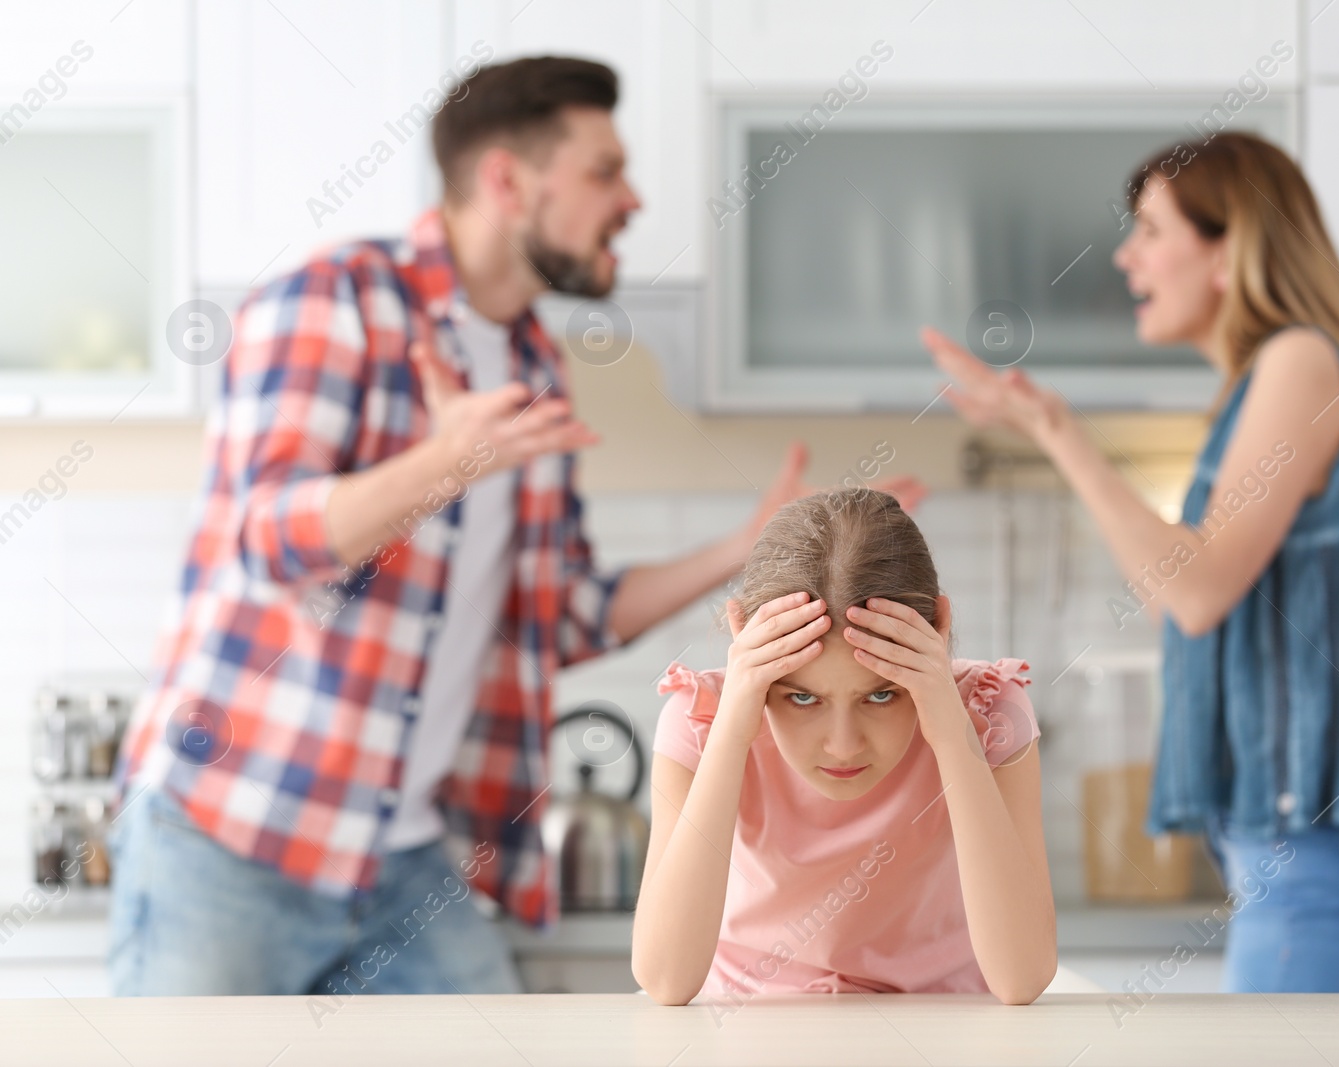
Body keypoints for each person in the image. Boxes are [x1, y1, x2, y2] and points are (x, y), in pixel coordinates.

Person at [109, 56, 912, 998]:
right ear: (505, 180)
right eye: (605, 172)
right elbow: (271, 537)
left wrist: (744, 548)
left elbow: (564, 615)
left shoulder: (534, 363)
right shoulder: (338, 301)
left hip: (403, 856)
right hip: (237, 835)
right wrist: (444, 464)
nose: (634, 199)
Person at [921, 131, 1339, 994]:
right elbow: (1182, 601)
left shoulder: (1297, 362)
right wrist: (1051, 430)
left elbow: (1194, 593)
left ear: (1231, 247)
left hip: (1323, 857)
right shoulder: (1259, 389)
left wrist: (1059, 434)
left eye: (1152, 230)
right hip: (1323, 853)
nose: (1128, 258)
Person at [631, 488, 1057, 1007]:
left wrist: (950, 731)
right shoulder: (700, 721)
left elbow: (1022, 978)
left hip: (941, 1026)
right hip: (752, 1026)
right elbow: (666, 981)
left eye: (881, 694)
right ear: (742, 636)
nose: (842, 745)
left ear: (938, 632)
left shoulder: (991, 714)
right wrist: (732, 732)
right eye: (802, 697)